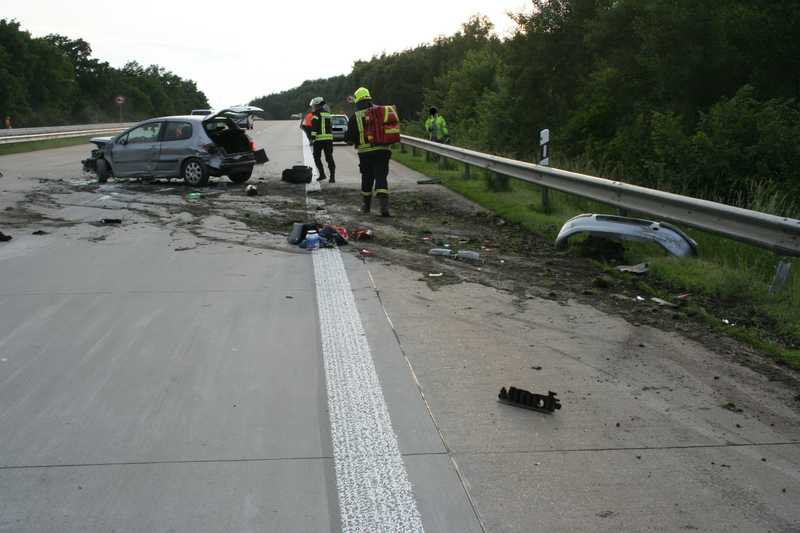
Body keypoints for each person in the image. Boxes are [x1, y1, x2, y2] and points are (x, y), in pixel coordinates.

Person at [345, 87, 391, 216]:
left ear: (358, 101)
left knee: (367, 178)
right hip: (383, 151)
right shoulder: (380, 112)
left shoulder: (355, 116)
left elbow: (348, 137)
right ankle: (384, 207)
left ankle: (366, 206)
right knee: (381, 176)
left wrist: (350, 139)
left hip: (365, 153)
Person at [309, 96, 335, 183]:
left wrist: (312, 138)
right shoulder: (328, 113)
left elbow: (314, 127)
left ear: (317, 105)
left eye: (314, 105)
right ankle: (332, 177)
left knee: (316, 157)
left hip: (319, 139)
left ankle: (322, 174)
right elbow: (330, 125)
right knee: (329, 158)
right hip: (328, 139)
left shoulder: (316, 114)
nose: (313, 107)